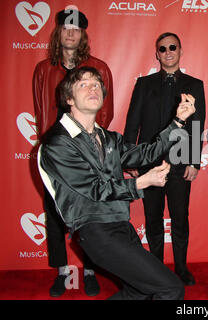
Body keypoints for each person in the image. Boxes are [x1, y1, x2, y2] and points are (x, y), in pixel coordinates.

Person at [38, 66, 195, 300]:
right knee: (171, 288)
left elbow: (146, 154)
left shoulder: (108, 137)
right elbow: (95, 189)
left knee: (139, 292)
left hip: (121, 224)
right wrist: (141, 182)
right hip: (95, 230)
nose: (93, 88)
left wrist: (178, 122)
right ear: (68, 98)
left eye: (96, 84)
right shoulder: (57, 143)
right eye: (83, 84)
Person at [32, 7, 114, 297]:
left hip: (87, 152)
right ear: (58, 32)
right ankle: (63, 274)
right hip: (56, 153)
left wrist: (94, 150)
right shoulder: (43, 69)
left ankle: (90, 270)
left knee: (89, 215)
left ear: (83, 35)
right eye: (66, 27)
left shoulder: (99, 67)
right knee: (54, 214)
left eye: (76, 28)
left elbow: (106, 112)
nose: (70, 32)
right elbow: (41, 113)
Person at [123, 32, 205, 286]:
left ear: (181, 51)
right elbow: (132, 124)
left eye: (173, 47)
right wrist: (131, 160)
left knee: (180, 218)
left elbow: (197, 126)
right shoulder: (144, 84)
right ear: (157, 53)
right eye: (163, 48)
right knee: (152, 218)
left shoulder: (195, 84)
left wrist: (194, 161)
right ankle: (156, 267)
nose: (168, 51)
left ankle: (181, 266)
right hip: (149, 164)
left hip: (181, 164)